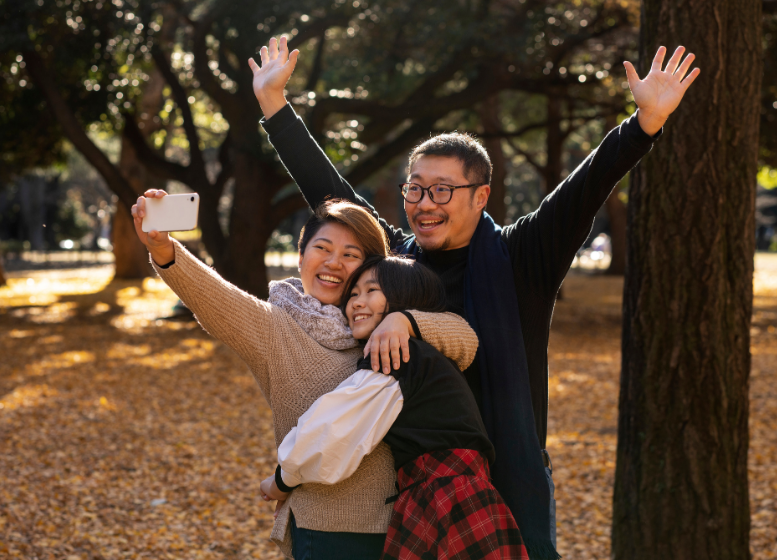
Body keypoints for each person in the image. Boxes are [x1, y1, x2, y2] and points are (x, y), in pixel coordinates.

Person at [249, 36, 700, 559]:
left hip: (508, 479)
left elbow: (586, 187)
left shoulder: (522, 256)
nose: (424, 203)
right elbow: (331, 193)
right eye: (414, 188)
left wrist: (643, 124)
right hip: (412, 489)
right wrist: (274, 107)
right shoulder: (395, 263)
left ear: (481, 195)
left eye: (442, 190)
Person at [131, 195, 479, 559]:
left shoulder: (381, 319)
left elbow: (466, 341)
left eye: (350, 254)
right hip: (329, 530)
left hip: (411, 524)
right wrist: (164, 249)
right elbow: (214, 299)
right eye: (322, 248)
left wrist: (404, 321)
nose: (333, 262)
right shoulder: (276, 329)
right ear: (301, 257)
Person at [261, 255, 529, 560]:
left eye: (371, 291)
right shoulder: (423, 355)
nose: (357, 303)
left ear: (405, 297)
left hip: (447, 498)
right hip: (453, 493)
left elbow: (333, 430)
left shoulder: (396, 354)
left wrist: (281, 480)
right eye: (353, 294)